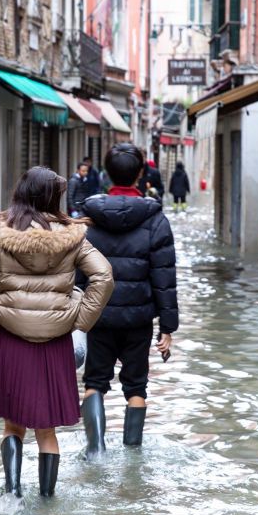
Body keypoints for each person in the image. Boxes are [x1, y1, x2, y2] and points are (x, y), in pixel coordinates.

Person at [0, 167, 114, 497]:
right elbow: (103, 277)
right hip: (56, 340)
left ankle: (12, 494)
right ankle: (47, 503)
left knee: (12, 424)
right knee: (47, 428)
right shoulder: (71, 236)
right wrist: (79, 319)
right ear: (51, 197)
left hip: (12, 339)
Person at [79, 143, 178, 457]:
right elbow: (164, 277)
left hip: (98, 317)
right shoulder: (155, 220)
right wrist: (168, 327)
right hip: (138, 320)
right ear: (141, 174)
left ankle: (95, 450)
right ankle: (132, 455)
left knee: (94, 382)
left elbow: (77, 276)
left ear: (107, 174)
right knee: (136, 387)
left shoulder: (88, 219)